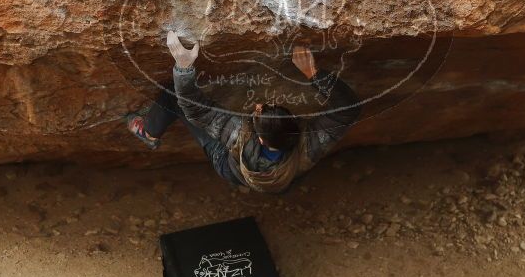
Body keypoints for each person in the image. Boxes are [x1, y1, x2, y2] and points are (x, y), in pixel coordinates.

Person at [127, 31, 360, 193]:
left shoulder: (239, 136)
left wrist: (184, 68)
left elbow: (193, 108)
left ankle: (149, 132)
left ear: (258, 137)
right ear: (296, 127)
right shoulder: (310, 144)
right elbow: (349, 109)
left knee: (172, 94)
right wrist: (313, 73)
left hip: (229, 167)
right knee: (285, 180)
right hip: (286, 180)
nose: (259, 106)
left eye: (259, 112)